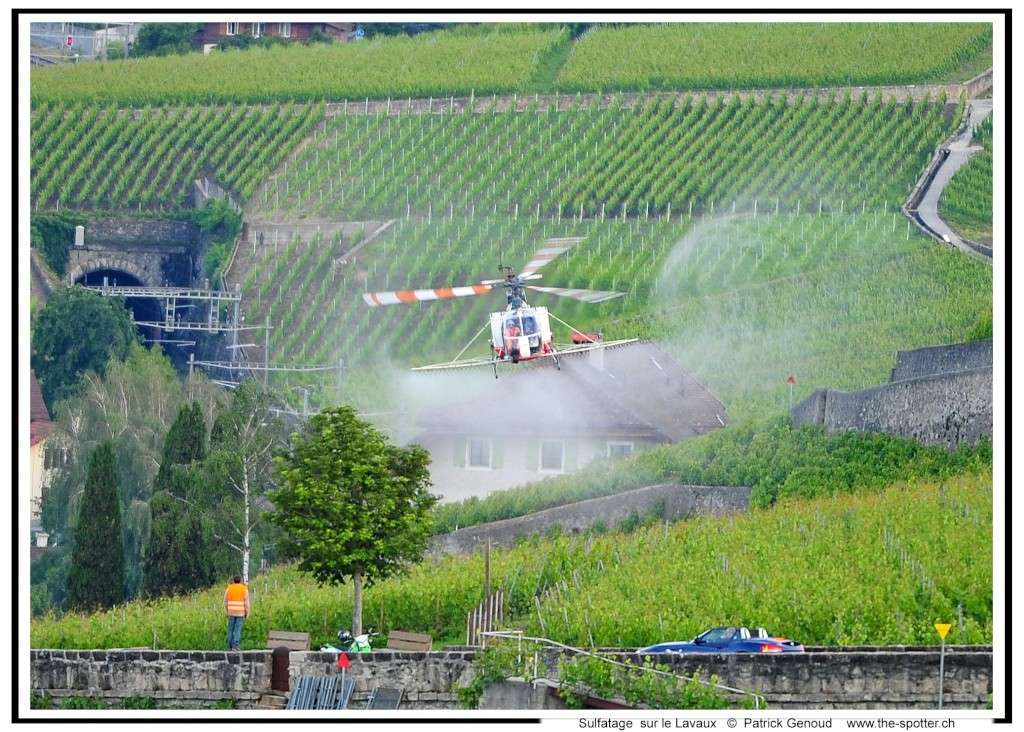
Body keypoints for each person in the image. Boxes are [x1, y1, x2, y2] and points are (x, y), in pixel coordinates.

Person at [224, 575, 250, 651]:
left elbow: (225, 601)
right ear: (241, 580)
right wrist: (247, 612)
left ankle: (229, 646)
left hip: (231, 612)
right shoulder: (244, 589)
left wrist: (227, 610)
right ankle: (235, 646)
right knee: (237, 629)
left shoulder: (229, 588)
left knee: (230, 629)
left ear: (233, 580)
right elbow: (246, 603)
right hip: (240, 613)